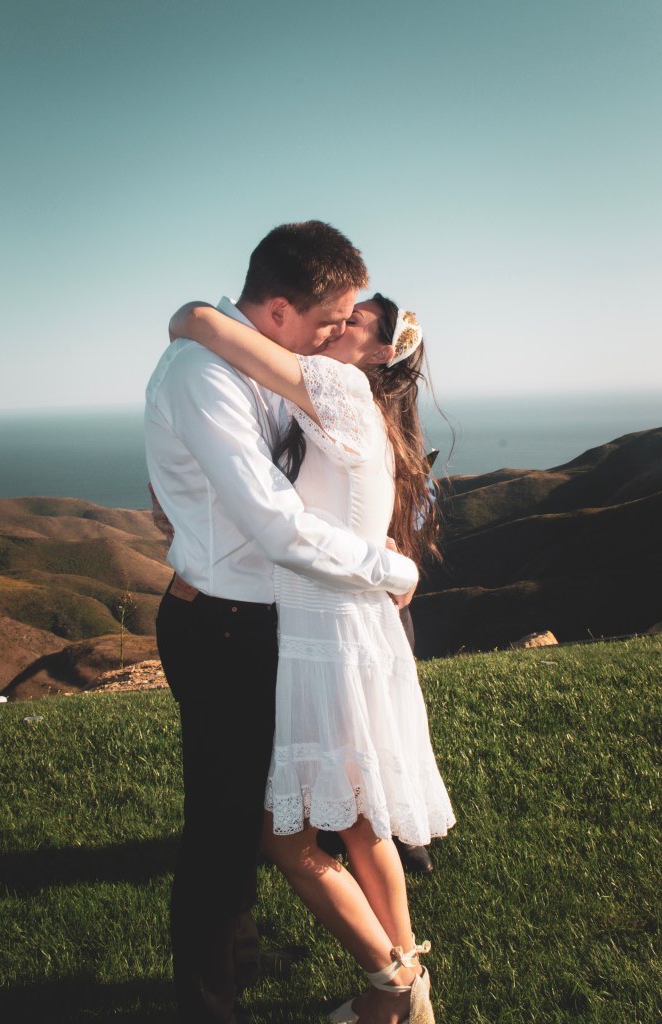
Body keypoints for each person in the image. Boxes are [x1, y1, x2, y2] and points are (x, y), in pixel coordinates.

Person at [145, 221, 421, 1024]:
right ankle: (208, 1003)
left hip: (276, 623)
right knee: (222, 826)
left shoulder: (269, 359)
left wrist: (195, 312)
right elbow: (275, 526)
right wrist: (388, 568)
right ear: (274, 311)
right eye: (332, 318)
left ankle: (244, 954)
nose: (341, 330)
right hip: (221, 625)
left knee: (266, 808)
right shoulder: (204, 376)